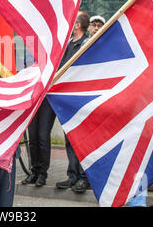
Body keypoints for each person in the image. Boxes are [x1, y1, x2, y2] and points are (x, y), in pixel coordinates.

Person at [55, 11, 91, 193]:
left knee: (82, 140)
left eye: (71, 20)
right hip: (66, 101)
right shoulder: (68, 44)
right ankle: (73, 176)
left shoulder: (87, 45)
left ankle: (85, 178)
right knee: (70, 140)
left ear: (77, 25)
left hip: (80, 100)